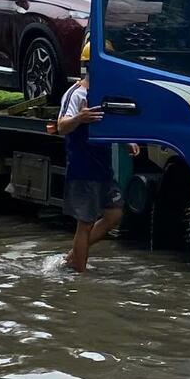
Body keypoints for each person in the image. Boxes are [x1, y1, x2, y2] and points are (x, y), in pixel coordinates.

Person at [55, 41, 124, 271]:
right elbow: (61, 126)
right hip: (82, 168)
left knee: (114, 215)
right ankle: (80, 276)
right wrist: (79, 119)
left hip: (103, 167)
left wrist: (129, 140)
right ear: (90, 65)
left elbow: (114, 124)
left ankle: (72, 256)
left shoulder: (104, 94)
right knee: (84, 223)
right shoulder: (76, 94)